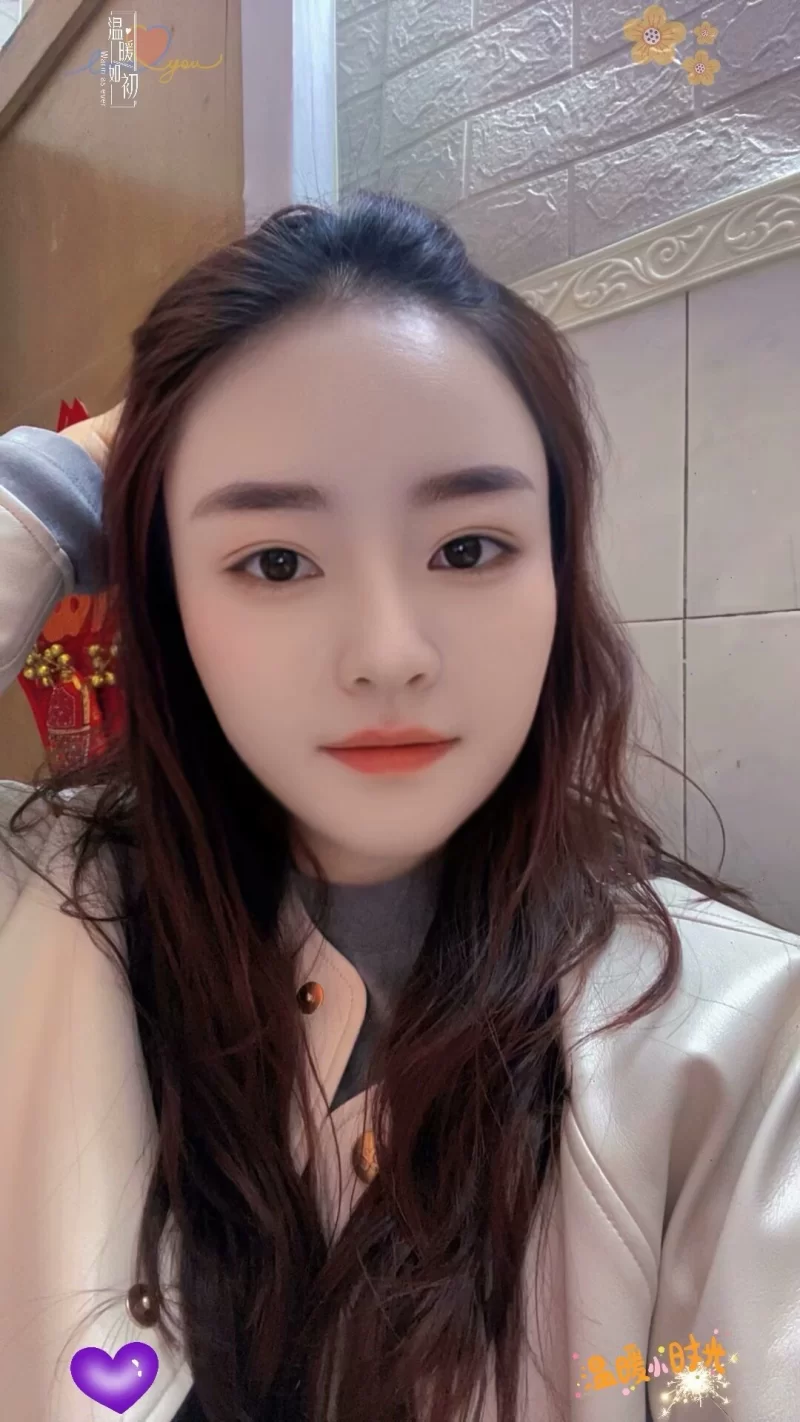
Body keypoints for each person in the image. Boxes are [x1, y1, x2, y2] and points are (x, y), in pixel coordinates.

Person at [0, 190, 797, 1422]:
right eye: (275, 560)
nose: (387, 654)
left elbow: (720, 1385)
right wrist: (63, 484)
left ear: (557, 570)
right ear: (167, 597)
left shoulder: (733, 1040)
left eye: (466, 548)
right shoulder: (40, 910)